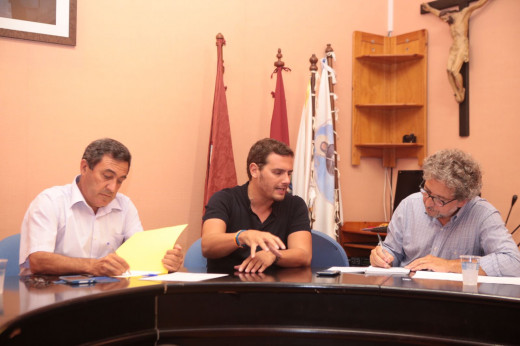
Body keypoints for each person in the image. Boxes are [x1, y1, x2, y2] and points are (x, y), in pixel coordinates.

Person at [20, 138, 183, 276]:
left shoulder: (125, 206)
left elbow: (140, 255)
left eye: (120, 181)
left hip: (104, 297)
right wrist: (92, 265)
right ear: (84, 167)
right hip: (51, 298)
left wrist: (166, 261)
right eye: (107, 176)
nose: (113, 188)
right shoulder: (50, 201)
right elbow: (38, 260)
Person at [370, 148, 520, 277]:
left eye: (440, 200)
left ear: (463, 200)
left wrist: (449, 266)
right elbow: (392, 251)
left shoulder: (483, 215)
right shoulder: (409, 205)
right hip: (408, 296)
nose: (428, 202)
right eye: (426, 191)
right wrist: (383, 256)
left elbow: (513, 263)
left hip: (456, 302)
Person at [201, 138, 312, 273]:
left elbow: (304, 255)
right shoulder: (224, 199)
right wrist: (241, 236)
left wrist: (273, 255)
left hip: (276, 290)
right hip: (227, 289)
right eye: (278, 173)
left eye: (289, 173)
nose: (286, 180)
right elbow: (208, 245)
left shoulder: (295, 205)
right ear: (254, 170)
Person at [421, 0, 490, 103]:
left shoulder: (463, 14)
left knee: (454, 71)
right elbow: (438, 13)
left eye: (445, 18)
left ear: (449, 13)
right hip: (454, 46)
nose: (444, 20)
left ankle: (461, 90)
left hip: (462, 44)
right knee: (448, 70)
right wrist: (429, 8)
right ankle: (456, 92)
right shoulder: (448, 19)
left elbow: (478, 5)